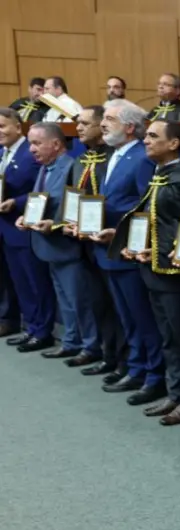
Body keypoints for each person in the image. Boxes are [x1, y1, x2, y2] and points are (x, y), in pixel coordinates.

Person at [111, 120, 180, 426]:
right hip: (151, 269)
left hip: (174, 273)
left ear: (174, 143)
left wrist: (160, 252)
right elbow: (151, 219)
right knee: (168, 337)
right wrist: (134, 245)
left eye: (153, 136)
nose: (146, 140)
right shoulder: (159, 174)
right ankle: (175, 392)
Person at [90, 100, 165, 407]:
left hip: (129, 249)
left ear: (131, 127)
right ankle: (135, 368)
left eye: (110, 119)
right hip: (106, 246)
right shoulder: (115, 155)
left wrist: (104, 213)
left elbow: (144, 205)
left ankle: (154, 376)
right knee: (127, 317)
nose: (103, 123)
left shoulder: (141, 157)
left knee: (142, 318)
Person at [21, 122, 104, 369]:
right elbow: (40, 201)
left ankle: (91, 346)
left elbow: (74, 208)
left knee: (80, 300)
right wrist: (26, 216)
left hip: (66, 245)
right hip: (47, 245)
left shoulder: (71, 167)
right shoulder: (45, 168)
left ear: (56, 144)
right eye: (30, 143)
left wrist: (54, 225)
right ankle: (71, 341)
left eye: (36, 143)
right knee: (64, 299)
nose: (31, 150)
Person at [67, 105, 128, 383]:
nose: (79, 128)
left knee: (118, 307)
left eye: (85, 123)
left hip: (109, 241)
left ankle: (123, 362)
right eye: (78, 123)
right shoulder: (81, 159)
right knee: (97, 303)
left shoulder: (111, 159)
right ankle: (107, 354)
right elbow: (74, 198)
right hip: (84, 243)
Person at [0, 107, 50, 352]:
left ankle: (42, 330)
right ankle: (31, 327)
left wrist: (16, 203)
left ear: (17, 127)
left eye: (2, 126)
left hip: (24, 225)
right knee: (19, 281)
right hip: (5, 228)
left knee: (33, 281)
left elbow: (41, 189)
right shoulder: (3, 152)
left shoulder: (30, 153)